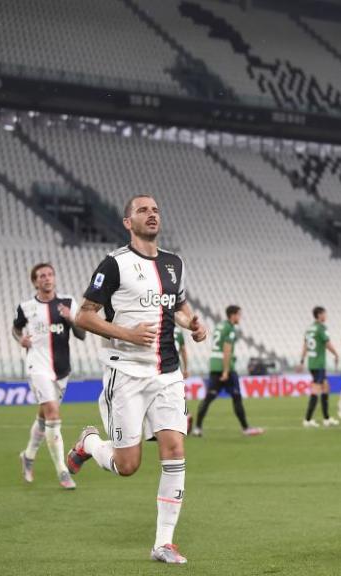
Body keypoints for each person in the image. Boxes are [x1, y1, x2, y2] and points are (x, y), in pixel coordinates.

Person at [66, 194, 208, 564]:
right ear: (128, 222)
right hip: (125, 372)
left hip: (167, 371)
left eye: (156, 209)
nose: (152, 214)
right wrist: (127, 334)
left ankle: (164, 543)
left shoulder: (175, 263)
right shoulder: (114, 264)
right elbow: (84, 316)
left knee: (175, 449)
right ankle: (90, 442)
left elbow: (177, 305)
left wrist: (192, 323)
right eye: (143, 210)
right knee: (127, 466)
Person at [14, 262, 85, 489]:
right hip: (38, 366)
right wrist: (20, 340)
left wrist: (71, 319)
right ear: (35, 282)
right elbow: (16, 329)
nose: (46, 278)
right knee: (53, 415)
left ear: (54, 278)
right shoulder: (25, 307)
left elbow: (82, 335)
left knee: (44, 417)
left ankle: (28, 456)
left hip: (62, 369)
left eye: (50, 274)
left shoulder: (68, 303)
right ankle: (63, 472)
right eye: (41, 276)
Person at [192, 305, 263, 437]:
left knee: (208, 398)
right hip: (226, 367)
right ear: (233, 315)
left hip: (214, 365)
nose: (240, 317)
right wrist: (225, 371)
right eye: (239, 315)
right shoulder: (230, 328)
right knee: (236, 397)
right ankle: (246, 428)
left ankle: (197, 428)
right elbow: (227, 349)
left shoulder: (220, 326)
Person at [297, 306, 340, 427]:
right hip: (319, 363)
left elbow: (305, 345)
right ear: (319, 315)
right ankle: (308, 419)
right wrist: (336, 354)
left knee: (326, 387)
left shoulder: (309, 329)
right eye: (324, 314)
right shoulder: (321, 328)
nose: (326, 316)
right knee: (316, 389)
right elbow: (327, 343)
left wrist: (302, 360)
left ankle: (326, 419)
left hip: (312, 362)